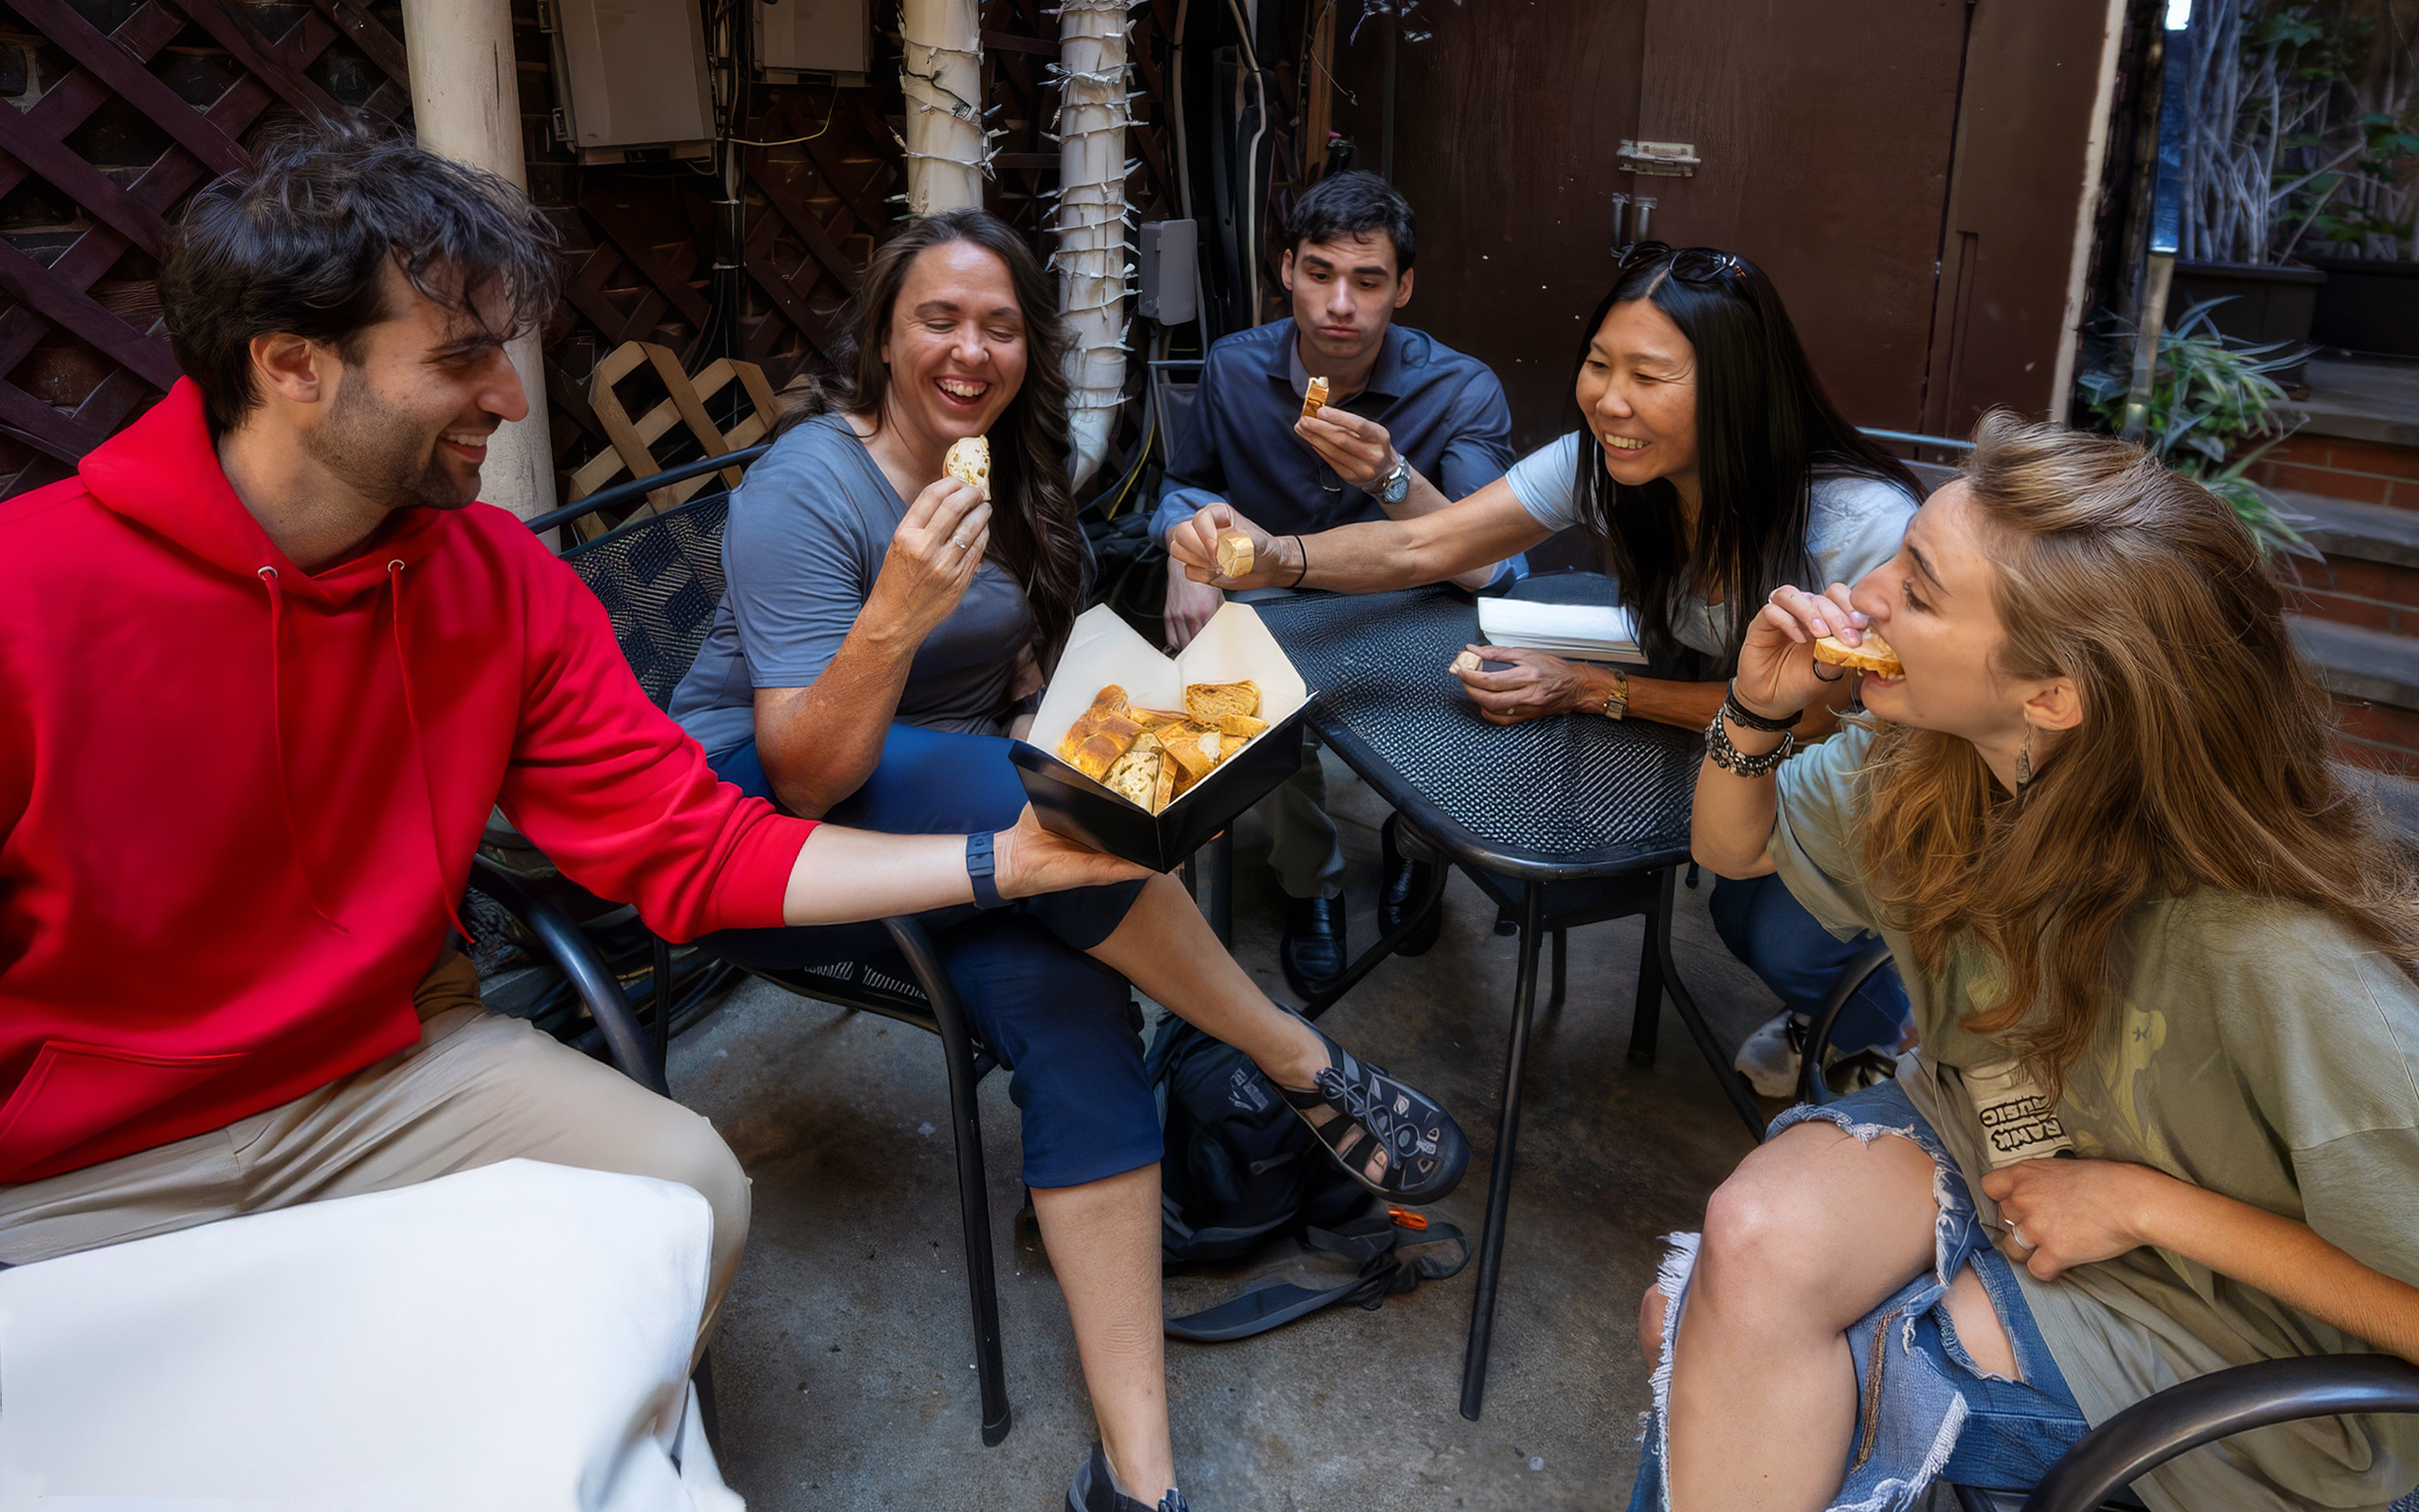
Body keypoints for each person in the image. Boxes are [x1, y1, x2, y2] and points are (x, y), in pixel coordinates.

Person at [0, 123, 1143, 1371]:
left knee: (685, 1191)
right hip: (78, 1160)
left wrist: (1008, 864)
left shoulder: (501, 584)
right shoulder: (31, 593)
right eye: (461, 357)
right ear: (291, 365)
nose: (507, 394)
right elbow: (803, 760)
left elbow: (691, 841)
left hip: (381, 1072)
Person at [665, 207, 1470, 1512]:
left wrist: (1124, 703)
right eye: (937, 317)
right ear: (880, 335)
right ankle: (1295, 1056)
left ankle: (1136, 1482)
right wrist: (894, 616)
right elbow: (810, 768)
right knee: (1075, 813)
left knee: (1077, 1008)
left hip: (947, 828)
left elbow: (1015, 689)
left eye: (997, 325)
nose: (968, 349)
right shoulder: (805, 488)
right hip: (765, 832)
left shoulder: (1002, 469)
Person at [1646, 412, 2419, 1512]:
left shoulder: (2284, 962)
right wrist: (1755, 711)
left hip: (2223, 1315)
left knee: (1816, 1376)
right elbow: (1733, 846)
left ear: (2051, 695)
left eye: (1917, 589)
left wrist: (2148, 1207)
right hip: (1995, 1131)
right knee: (1748, 1241)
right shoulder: (1928, 765)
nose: (1862, 597)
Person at [1169, 242, 1921, 1093]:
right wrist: (1275, 558)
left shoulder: (1855, 523)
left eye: (1648, 374)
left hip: (1844, 765)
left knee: (1772, 933)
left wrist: (1592, 688)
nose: (1608, 399)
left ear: (1738, 386)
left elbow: (1816, 716)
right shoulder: (1609, 461)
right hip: (1724, 734)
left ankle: (1871, 1031)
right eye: (1598, 364)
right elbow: (1427, 541)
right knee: (1723, 889)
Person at [1150, 171, 1520, 997]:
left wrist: (1391, 478)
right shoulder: (1235, 368)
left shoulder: (1459, 388)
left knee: (1473, 709)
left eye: (1368, 280)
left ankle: (1418, 849)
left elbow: (1487, 564)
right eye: (1319, 274)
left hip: (1415, 597)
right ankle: (1309, 886)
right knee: (1247, 700)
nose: (1339, 305)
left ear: (1405, 287)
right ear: (1287, 270)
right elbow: (1184, 484)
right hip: (1269, 592)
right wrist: (1184, 551)